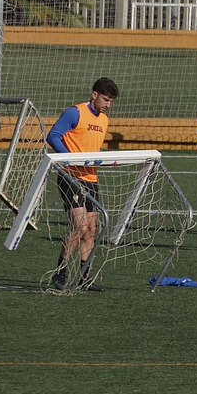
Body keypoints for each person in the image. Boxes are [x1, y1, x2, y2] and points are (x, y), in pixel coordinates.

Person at [45, 78, 119, 291]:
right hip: (70, 177)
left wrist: (105, 158)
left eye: (111, 101)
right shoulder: (74, 113)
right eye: (106, 99)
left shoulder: (104, 119)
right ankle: (59, 272)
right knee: (80, 226)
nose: (108, 105)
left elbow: (91, 148)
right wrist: (69, 158)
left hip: (91, 179)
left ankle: (85, 279)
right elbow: (54, 136)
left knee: (91, 230)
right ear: (94, 94)